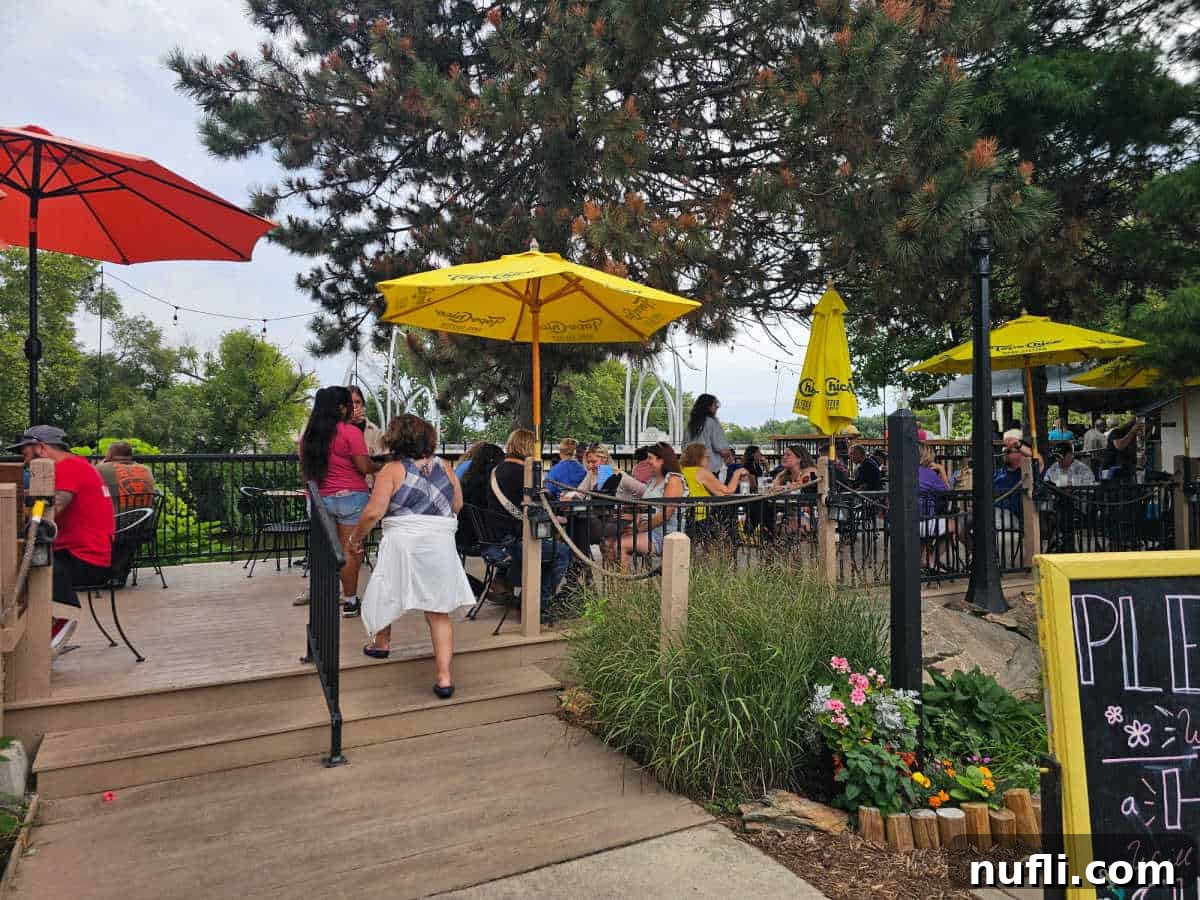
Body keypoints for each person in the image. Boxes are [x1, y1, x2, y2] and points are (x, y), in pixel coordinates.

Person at [349, 415, 473, 696]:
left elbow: (372, 513)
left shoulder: (392, 470)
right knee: (438, 610)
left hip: (404, 542)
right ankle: (444, 678)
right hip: (439, 544)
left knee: (388, 588)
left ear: (395, 439)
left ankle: (381, 644)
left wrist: (356, 538)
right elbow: (458, 503)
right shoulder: (446, 467)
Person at [7, 426, 114, 657]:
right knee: (20, 564)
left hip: (86, 561)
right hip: (83, 554)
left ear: (42, 448)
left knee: (25, 567)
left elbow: (50, 511)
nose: (23, 460)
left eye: (24, 452)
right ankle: (33, 631)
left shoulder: (67, 467)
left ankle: (57, 622)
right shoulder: (76, 465)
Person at [299, 386, 381, 617]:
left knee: (325, 552)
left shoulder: (309, 437)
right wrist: (380, 466)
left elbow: (305, 470)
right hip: (350, 498)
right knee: (350, 550)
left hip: (318, 500)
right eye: (348, 404)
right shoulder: (350, 432)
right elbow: (363, 466)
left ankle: (324, 599)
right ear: (341, 407)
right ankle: (350, 601)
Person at [487, 429, 570, 620]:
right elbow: (538, 511)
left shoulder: (495, 471)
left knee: (549, 550)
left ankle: (526, 597)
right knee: (562, 553)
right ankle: (537, 605)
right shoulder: (524, 474)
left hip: (495, 540)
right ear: (529, 447)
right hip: (513, 542)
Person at [616, 442, 687, 565]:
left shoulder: (673, 480)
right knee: (609, 543)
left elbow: (666, 514)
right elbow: (643, 508)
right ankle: (617, 581)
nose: (647, 461)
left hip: (664, 534)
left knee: (620, 545)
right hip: (647, 531)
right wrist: (633, 523)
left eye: (650, 458)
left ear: (662, 460)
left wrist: (639, 528)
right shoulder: (652, 481)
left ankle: (624, 584)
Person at [918, 444, 953, 568]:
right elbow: (948, 493)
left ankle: (923, 558)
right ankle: (931, 560)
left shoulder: (903, 471)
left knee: (928, 530)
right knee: (952, 526)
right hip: (923, 522)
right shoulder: (930, 474)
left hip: (900, 522)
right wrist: (942, 470)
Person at [96, 441, 156, 512]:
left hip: (117, 519)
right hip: (145, 518)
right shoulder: (146, 469)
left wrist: (102, 463)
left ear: (110, 455)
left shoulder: (102, 469)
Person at [685, 393, 730, 474]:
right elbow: (721, 448)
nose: (717, 407)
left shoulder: (690, 424)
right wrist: (728, 455)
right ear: (707, 406)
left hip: (691, 469)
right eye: (715, 404)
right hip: (709, 470)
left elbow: (684, 447)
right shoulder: (712, 422)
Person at [347, 385, 387, 457]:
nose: (354, 406)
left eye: (357, 402)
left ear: (363, 405)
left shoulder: (374, 430)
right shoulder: (337, 428)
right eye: (350, 403)